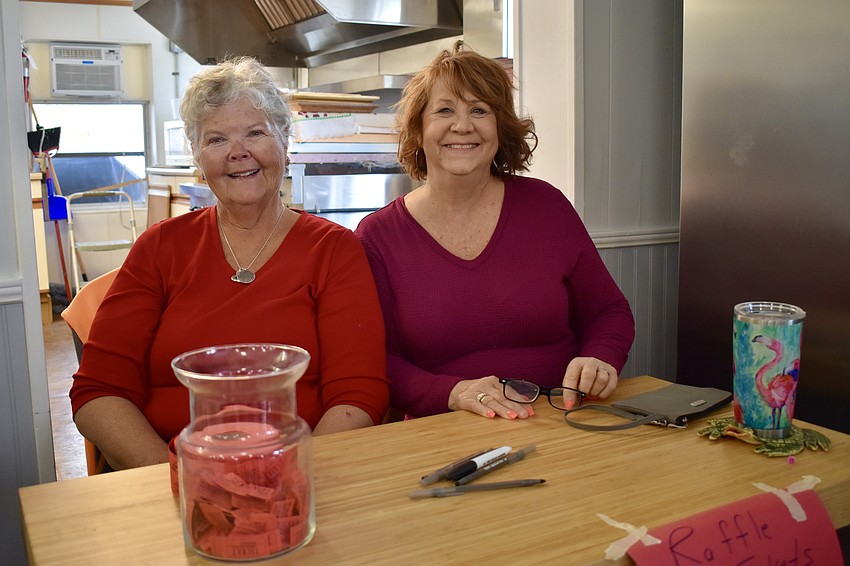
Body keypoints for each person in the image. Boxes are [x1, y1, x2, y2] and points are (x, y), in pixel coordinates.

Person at [70, 56, 389, 470]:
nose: (238, 153)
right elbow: (98, 392)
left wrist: (290, 481)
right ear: (199, 156)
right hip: (172, 480)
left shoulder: (335, 250)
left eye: (255, 133)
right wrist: (184, 483)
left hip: (306, 477)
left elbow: (358, 395)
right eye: (216, 139)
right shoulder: (160, 248)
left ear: (284, 141)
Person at [355, 42, 634, 420]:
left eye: (479, 110)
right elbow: (377, 360)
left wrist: (600, 357)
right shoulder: (379, 236)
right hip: (443, 431)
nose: (463, 125)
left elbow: (609, 311)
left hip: (561, 417)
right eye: (444, 110)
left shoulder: (547, 207)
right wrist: (452, 392)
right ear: (419, 131)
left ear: (499, 129)